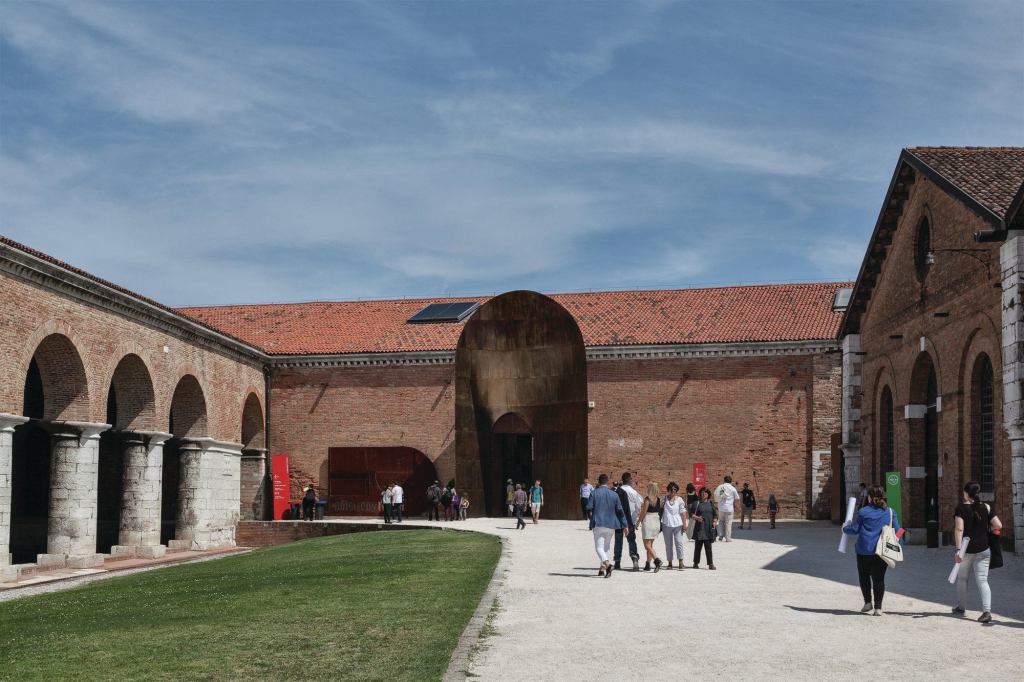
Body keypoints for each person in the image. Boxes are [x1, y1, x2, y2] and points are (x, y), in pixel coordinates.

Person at [842, 485, 902, 616]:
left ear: (869, 497)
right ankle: (878, 608)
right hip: (882, 552)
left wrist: (845, 527)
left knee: (864, 577)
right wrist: (897, 542)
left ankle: (867, 602)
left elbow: (855, 530)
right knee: (879, 579)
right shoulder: (891, 512)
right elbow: (899, 531)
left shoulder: (863, 511)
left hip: (864, 550)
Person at [953, 481, 1003, 623]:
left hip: (966, 550)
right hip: (984, 549)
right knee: (983, 581)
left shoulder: (961, 508)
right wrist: (989, 533)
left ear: (966, 493)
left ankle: (961, 608)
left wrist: (958, 550)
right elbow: (998, 525)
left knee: (962, 579)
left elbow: (959, 529)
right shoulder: (986, 507)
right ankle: (986, 611)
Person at [587, 473, 627, 577]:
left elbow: (589, 506)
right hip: (611, 524)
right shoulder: (614, 494)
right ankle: (602, 569)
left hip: (599, 522)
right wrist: (625, 524)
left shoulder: (594, 493)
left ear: (598, 481)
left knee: (599, 548)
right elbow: (620, 510)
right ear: (607, 481)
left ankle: (608, 565)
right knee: (605, 547)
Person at [614, 473, 643, 571]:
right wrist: (634, 517)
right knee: (631, 540)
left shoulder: (617, 491)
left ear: (622, 480)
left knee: (618, 540)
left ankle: (617, 562)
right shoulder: (634, 492)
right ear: (630, 480)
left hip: (619, 519)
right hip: (630, 519)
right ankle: (634, 558)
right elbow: (638, 508)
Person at [636, 482, 664, 572]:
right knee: (650, 545)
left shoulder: (647, 499)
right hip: (656, 521)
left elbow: (643, 512)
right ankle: (648, 564)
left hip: (648, 520)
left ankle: (657, 560)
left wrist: (638, 522)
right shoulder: (658, 499)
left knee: (647, 545)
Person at [660, 481, 687, 570]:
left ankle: (681, 562)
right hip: (666, 523)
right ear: (668, 490)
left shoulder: (679, 500)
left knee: (679, 542)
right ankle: (670, 562)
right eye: (671, 490)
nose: (673, 491)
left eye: (675, 490)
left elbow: (683, 513)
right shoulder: (664, 499)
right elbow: (659, 509)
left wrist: (684, 525)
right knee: (668, 544)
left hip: (678, 524)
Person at [691, 487, 717, 570]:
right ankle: (695, 563)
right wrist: (697, 518)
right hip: (699, 528)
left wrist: (715, 520)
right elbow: (691, 514)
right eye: (702, 492)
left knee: (708, 547)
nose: (703, 494)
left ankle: (710, 564)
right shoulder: (696, 503)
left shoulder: (710, 503)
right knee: (698, 547)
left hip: (708, 528)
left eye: (705, 493)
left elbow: (715, 514)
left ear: (708, 494)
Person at [715, 475, 739, 541]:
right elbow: (737, 498)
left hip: (721, 507)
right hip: (729, 508)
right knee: (728, 523)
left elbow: (717, 495)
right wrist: (736, 506)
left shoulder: (720, 487)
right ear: (731, 481)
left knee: (721, 522)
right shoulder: (732, 488)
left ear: (724, 480)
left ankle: (720, 535)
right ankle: (728, 538)